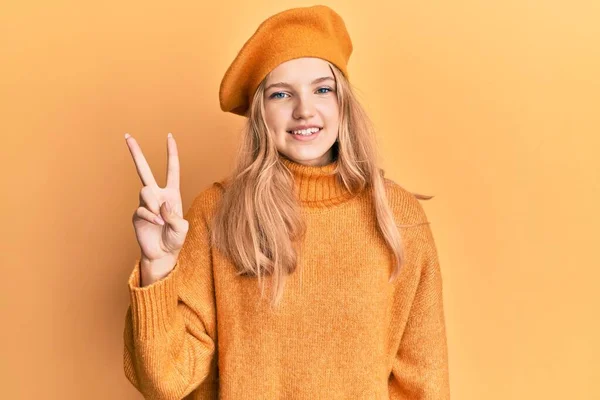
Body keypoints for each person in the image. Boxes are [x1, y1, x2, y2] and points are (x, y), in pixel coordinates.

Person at [122, 5, 450, 399]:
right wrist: (157, 266)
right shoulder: (216, 213)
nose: (304, 110)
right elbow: (166, 382)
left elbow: (423, 385)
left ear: (343, 102)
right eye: (281, 94)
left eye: (322, 89)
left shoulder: (397, 217)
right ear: (260, 113)